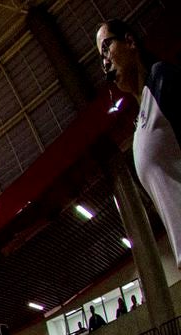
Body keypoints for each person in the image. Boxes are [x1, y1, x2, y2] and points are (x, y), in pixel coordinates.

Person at [99, 17, 181, 266]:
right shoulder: (140, 124)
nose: (104, 63)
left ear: (130, 41)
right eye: (100, 60)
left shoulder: (162, 79)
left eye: (106, 48)